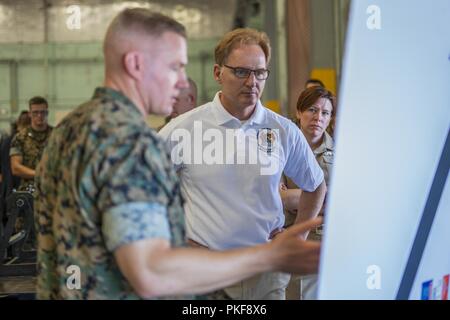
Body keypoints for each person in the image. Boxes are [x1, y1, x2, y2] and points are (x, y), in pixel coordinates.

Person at [35, 8, 322, 300]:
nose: (182, 81)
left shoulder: (69, 129)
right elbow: (151, 272)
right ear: (135, 64)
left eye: (259, 73)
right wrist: (269, 257)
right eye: (175, 67)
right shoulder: (131, 143)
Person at [159, 28, 327, 299]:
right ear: (218, 73)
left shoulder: (282, 130)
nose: (252, 82)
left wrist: (295, 238)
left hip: (266, 274)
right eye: (241, 72)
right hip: (204, 274)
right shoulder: (182, 130)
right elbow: (140, 191)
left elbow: (315, 185)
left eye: (259, 73)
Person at [280, 86, 335, 300]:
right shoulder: (281, 150)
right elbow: (279, 199)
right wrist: (322, 195)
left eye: (325, 113)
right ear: (299, 112)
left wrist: (296, 196)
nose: (318, 117)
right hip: (290, 237)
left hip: (327, 242)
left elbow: (342, 201)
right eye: (312, 110)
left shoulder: (341, 153)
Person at [10, 97, 52, 192]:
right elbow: (15, 168)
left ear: (47, 113)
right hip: (28, 191)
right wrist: (39, 174)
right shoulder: (20, 138)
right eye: (35, 112)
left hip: (52, 190)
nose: (39, 115)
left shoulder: (56, 136)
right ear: (29, 114)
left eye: (43, 112)